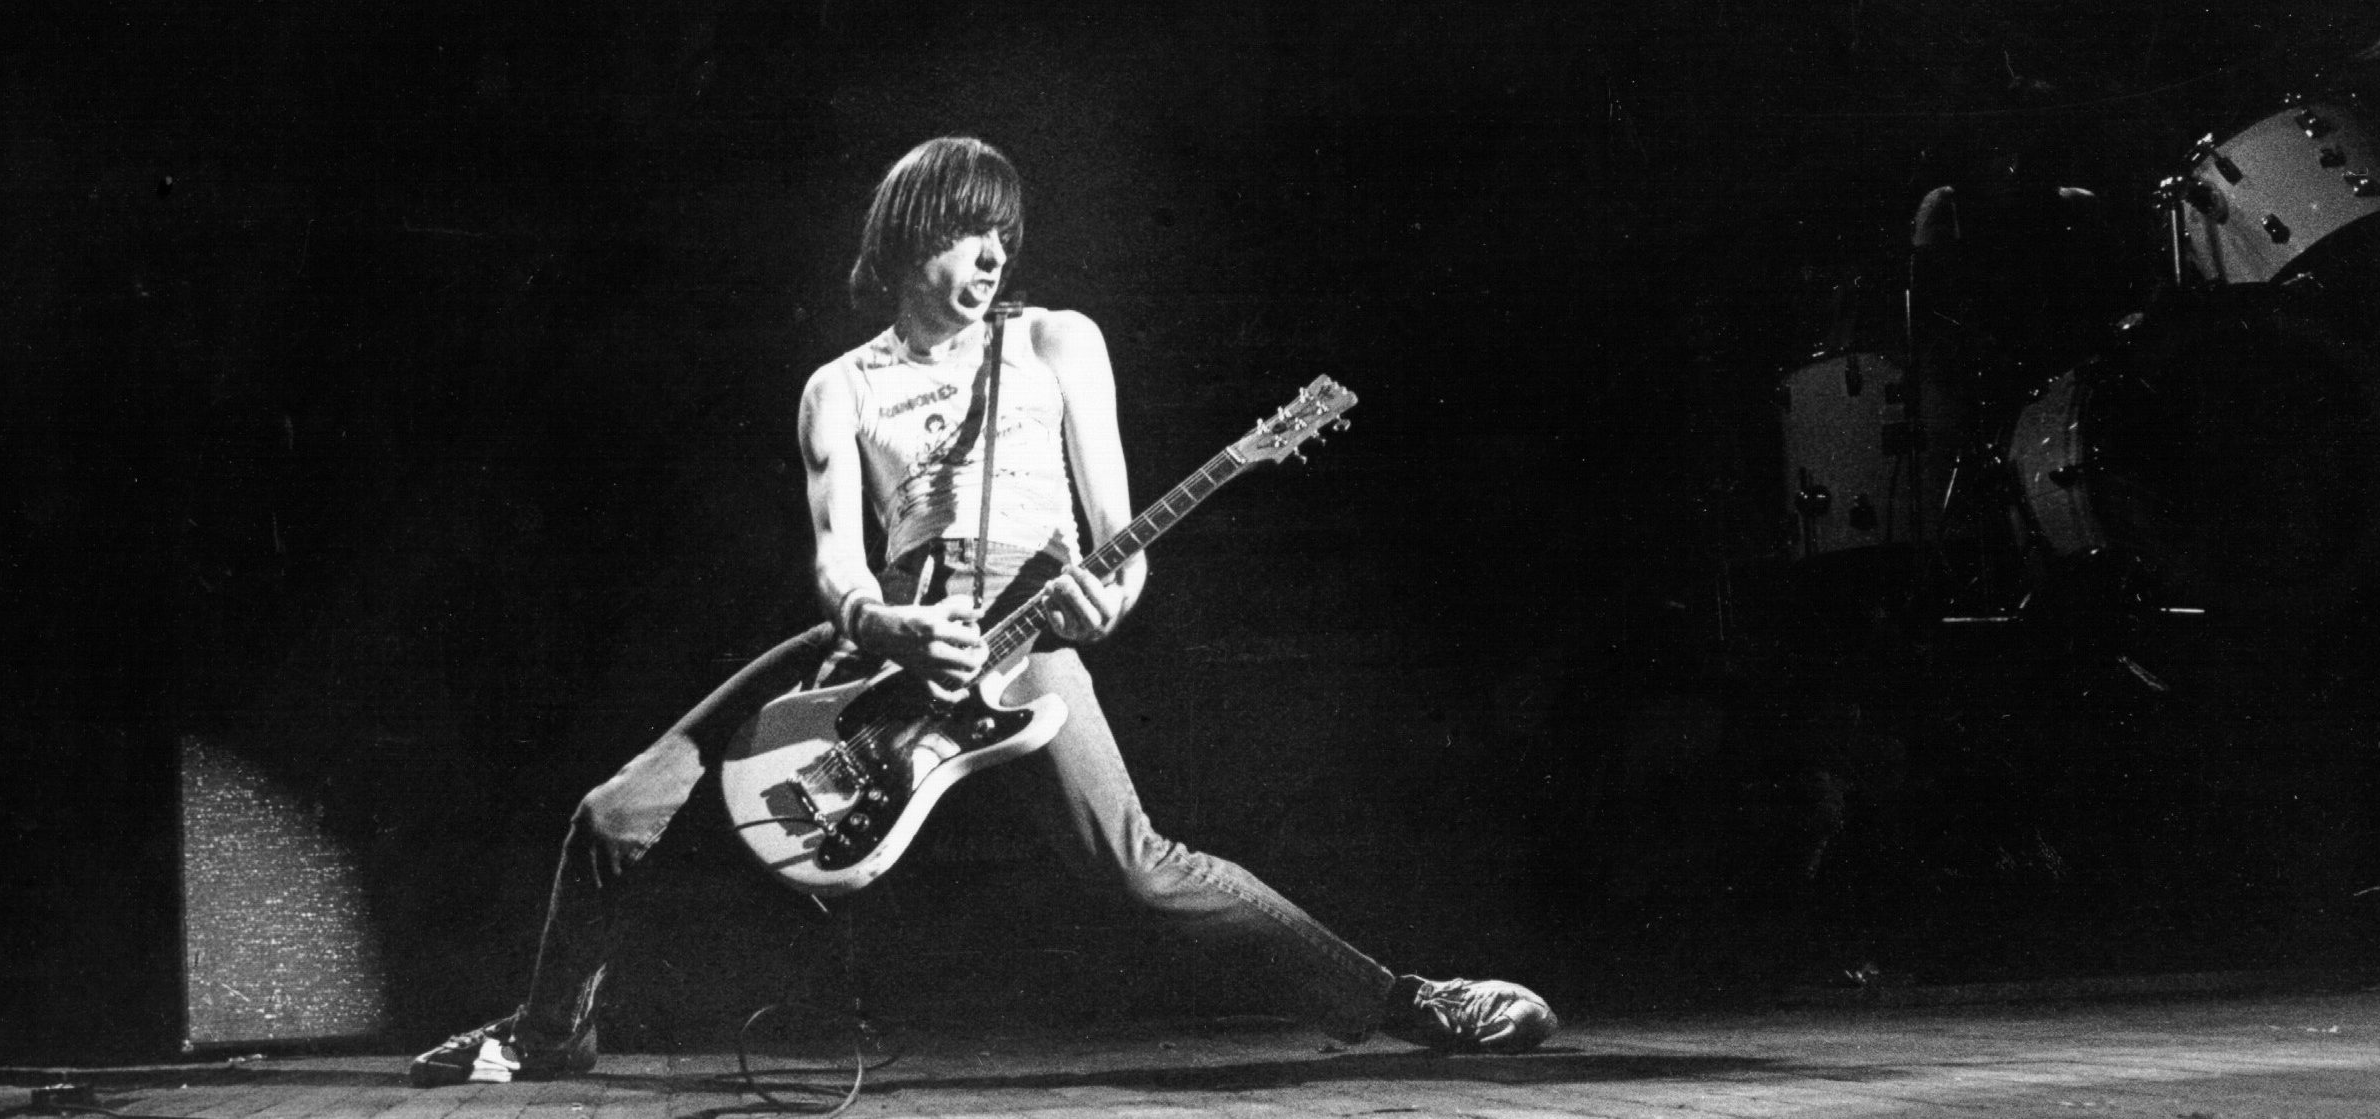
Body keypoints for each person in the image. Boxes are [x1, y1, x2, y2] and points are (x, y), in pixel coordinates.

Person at [408, 136, 1553, 1088]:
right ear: (909, 238)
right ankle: (546, 1033)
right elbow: (835, 566)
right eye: (967, 233)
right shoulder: (841, 386)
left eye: (1002, 236)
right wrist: (887, 626)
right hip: (885, 642)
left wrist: (1111, 599)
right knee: (616, 810)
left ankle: (1409, 1000)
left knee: (1141, 867)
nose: (990, 255)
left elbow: (1117, 531)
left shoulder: (1057, 342)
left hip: (1028, 647)